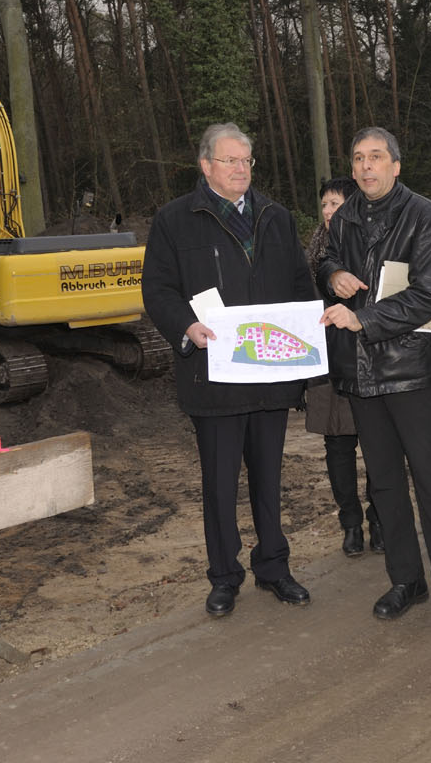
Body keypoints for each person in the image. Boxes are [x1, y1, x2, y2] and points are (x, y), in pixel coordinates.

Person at [141, 123, 314, 618]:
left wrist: (307, 339)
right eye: (230, 160)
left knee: (269, 477)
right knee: (220, 484)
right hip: (213, 377)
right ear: (206, 166)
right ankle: (224, 577)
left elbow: (300, 283)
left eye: (247, 161)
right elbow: (158, 290)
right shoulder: (175, 220)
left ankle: (274, 567)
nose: (241, 169)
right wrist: (187, 328)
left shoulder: (275, 217)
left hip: (270, 374)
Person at [317, 126, 431, 631]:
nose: (366, 167)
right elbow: (322, 258)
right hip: (361, 374)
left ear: (396, 165)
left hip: (412, 371)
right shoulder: (342, 218)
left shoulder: (425, 216)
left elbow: (428, 294)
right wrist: (332, 276)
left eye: (377, 157)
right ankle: (406, 580)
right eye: (359, 157)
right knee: (384, 484)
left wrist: (361, 318)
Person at [303, 176, 382, 558]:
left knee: (378, 445)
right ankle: (350, 523)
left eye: (336, 203)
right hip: (325, 362)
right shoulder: (313, 252)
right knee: (338, 446)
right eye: (325, 204)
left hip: (368, 358)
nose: (330, 211)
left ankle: (379, 518)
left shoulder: (370, 244)